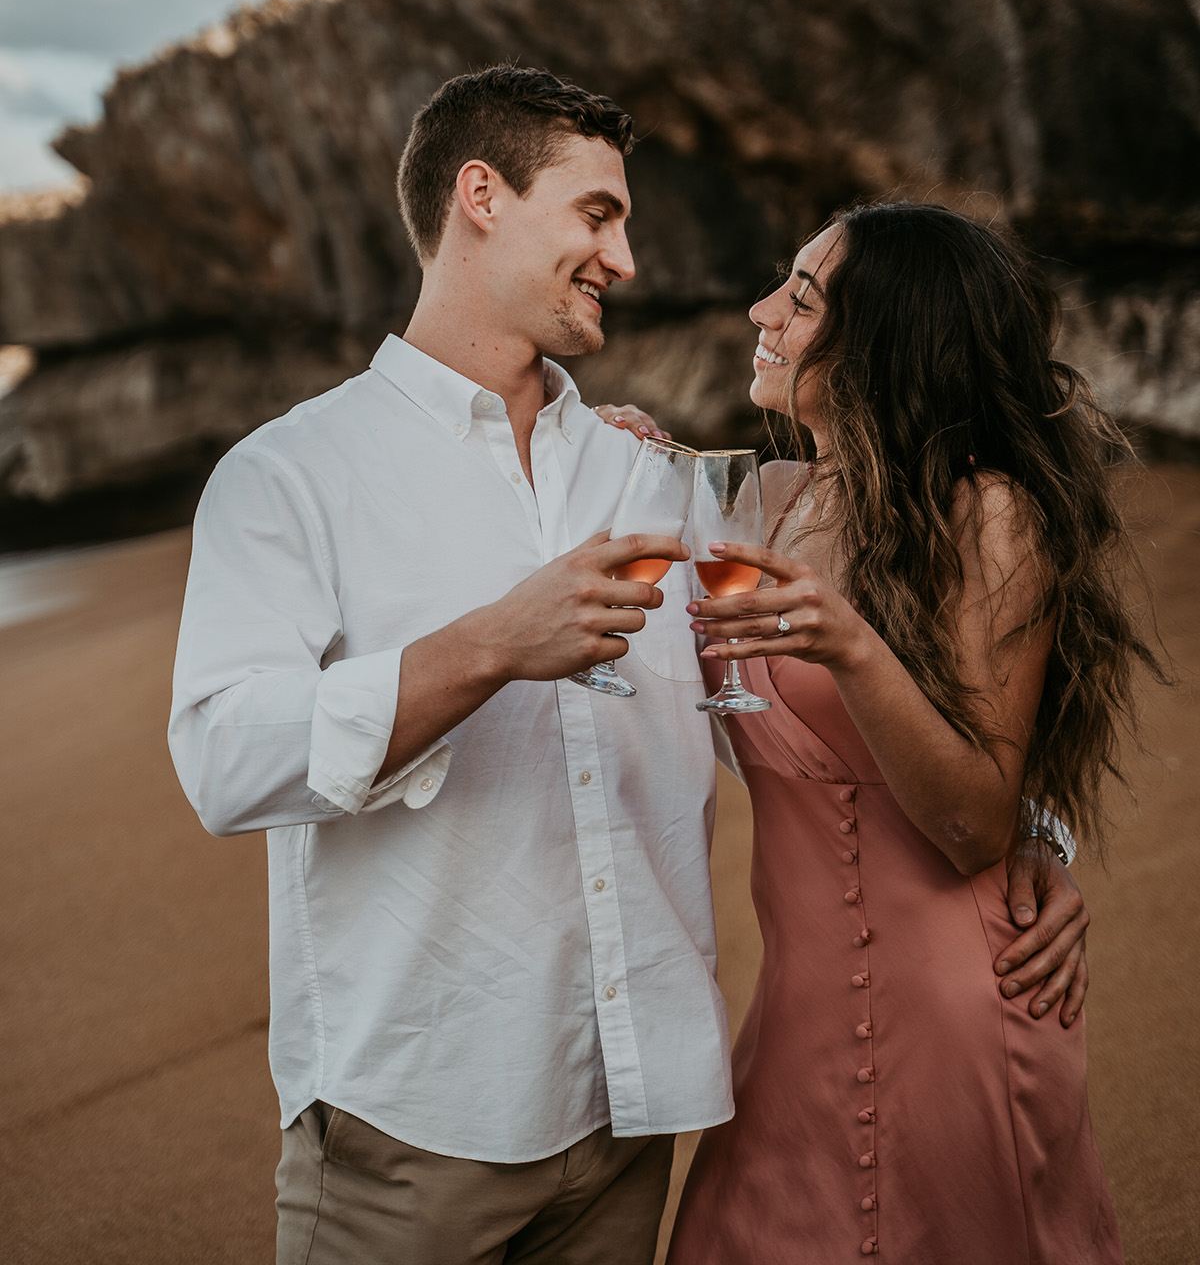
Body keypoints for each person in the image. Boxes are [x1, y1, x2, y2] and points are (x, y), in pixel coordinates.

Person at [169, 69, 1092, 1265]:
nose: (629, 257)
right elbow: (225, 762)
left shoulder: (656, 484)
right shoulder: (289, 475)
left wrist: (1033, 840)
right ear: (482, 196)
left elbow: (842, 687)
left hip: (631, 1119)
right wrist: (496, 643)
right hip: (417, 1126)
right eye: (599, 215)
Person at [647, 204, 1159, 1264]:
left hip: (965, 1013)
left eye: (799, 297)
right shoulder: (760, 500)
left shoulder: (992, 515)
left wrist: (850, 646)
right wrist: (609, 439)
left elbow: (975, 821)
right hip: (795, 1023)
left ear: (886, 336)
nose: (759, 313)